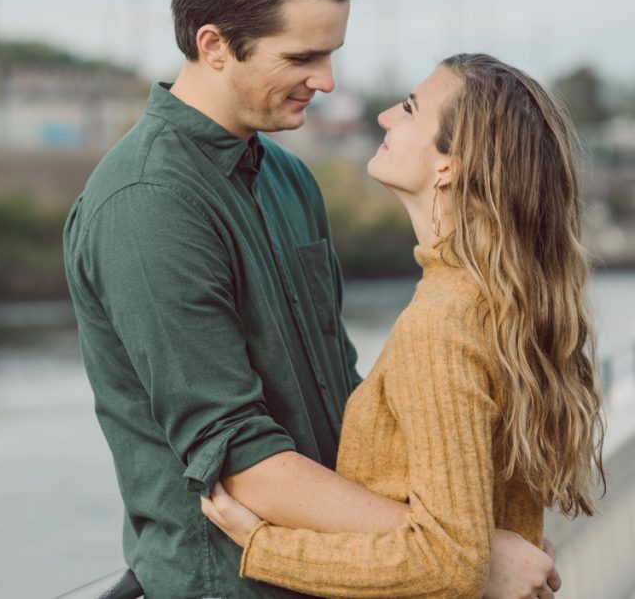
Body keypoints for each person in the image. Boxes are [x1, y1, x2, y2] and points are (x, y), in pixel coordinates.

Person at [63, 0, 562, 595]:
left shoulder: (290, 178)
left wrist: (453, 534)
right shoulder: (146, 203)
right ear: (214, 45)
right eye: (301, 58)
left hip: (345, 576)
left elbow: (344, 397)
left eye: (331, 54)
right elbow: (240, 460)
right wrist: (470, 553)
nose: (326, 80)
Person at [201, 53, 605, 598]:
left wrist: (264, 546)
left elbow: (450, 561)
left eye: (411, 109)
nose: (386, 115)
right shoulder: (500, 305)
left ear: (448, 166)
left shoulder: (442, 323)